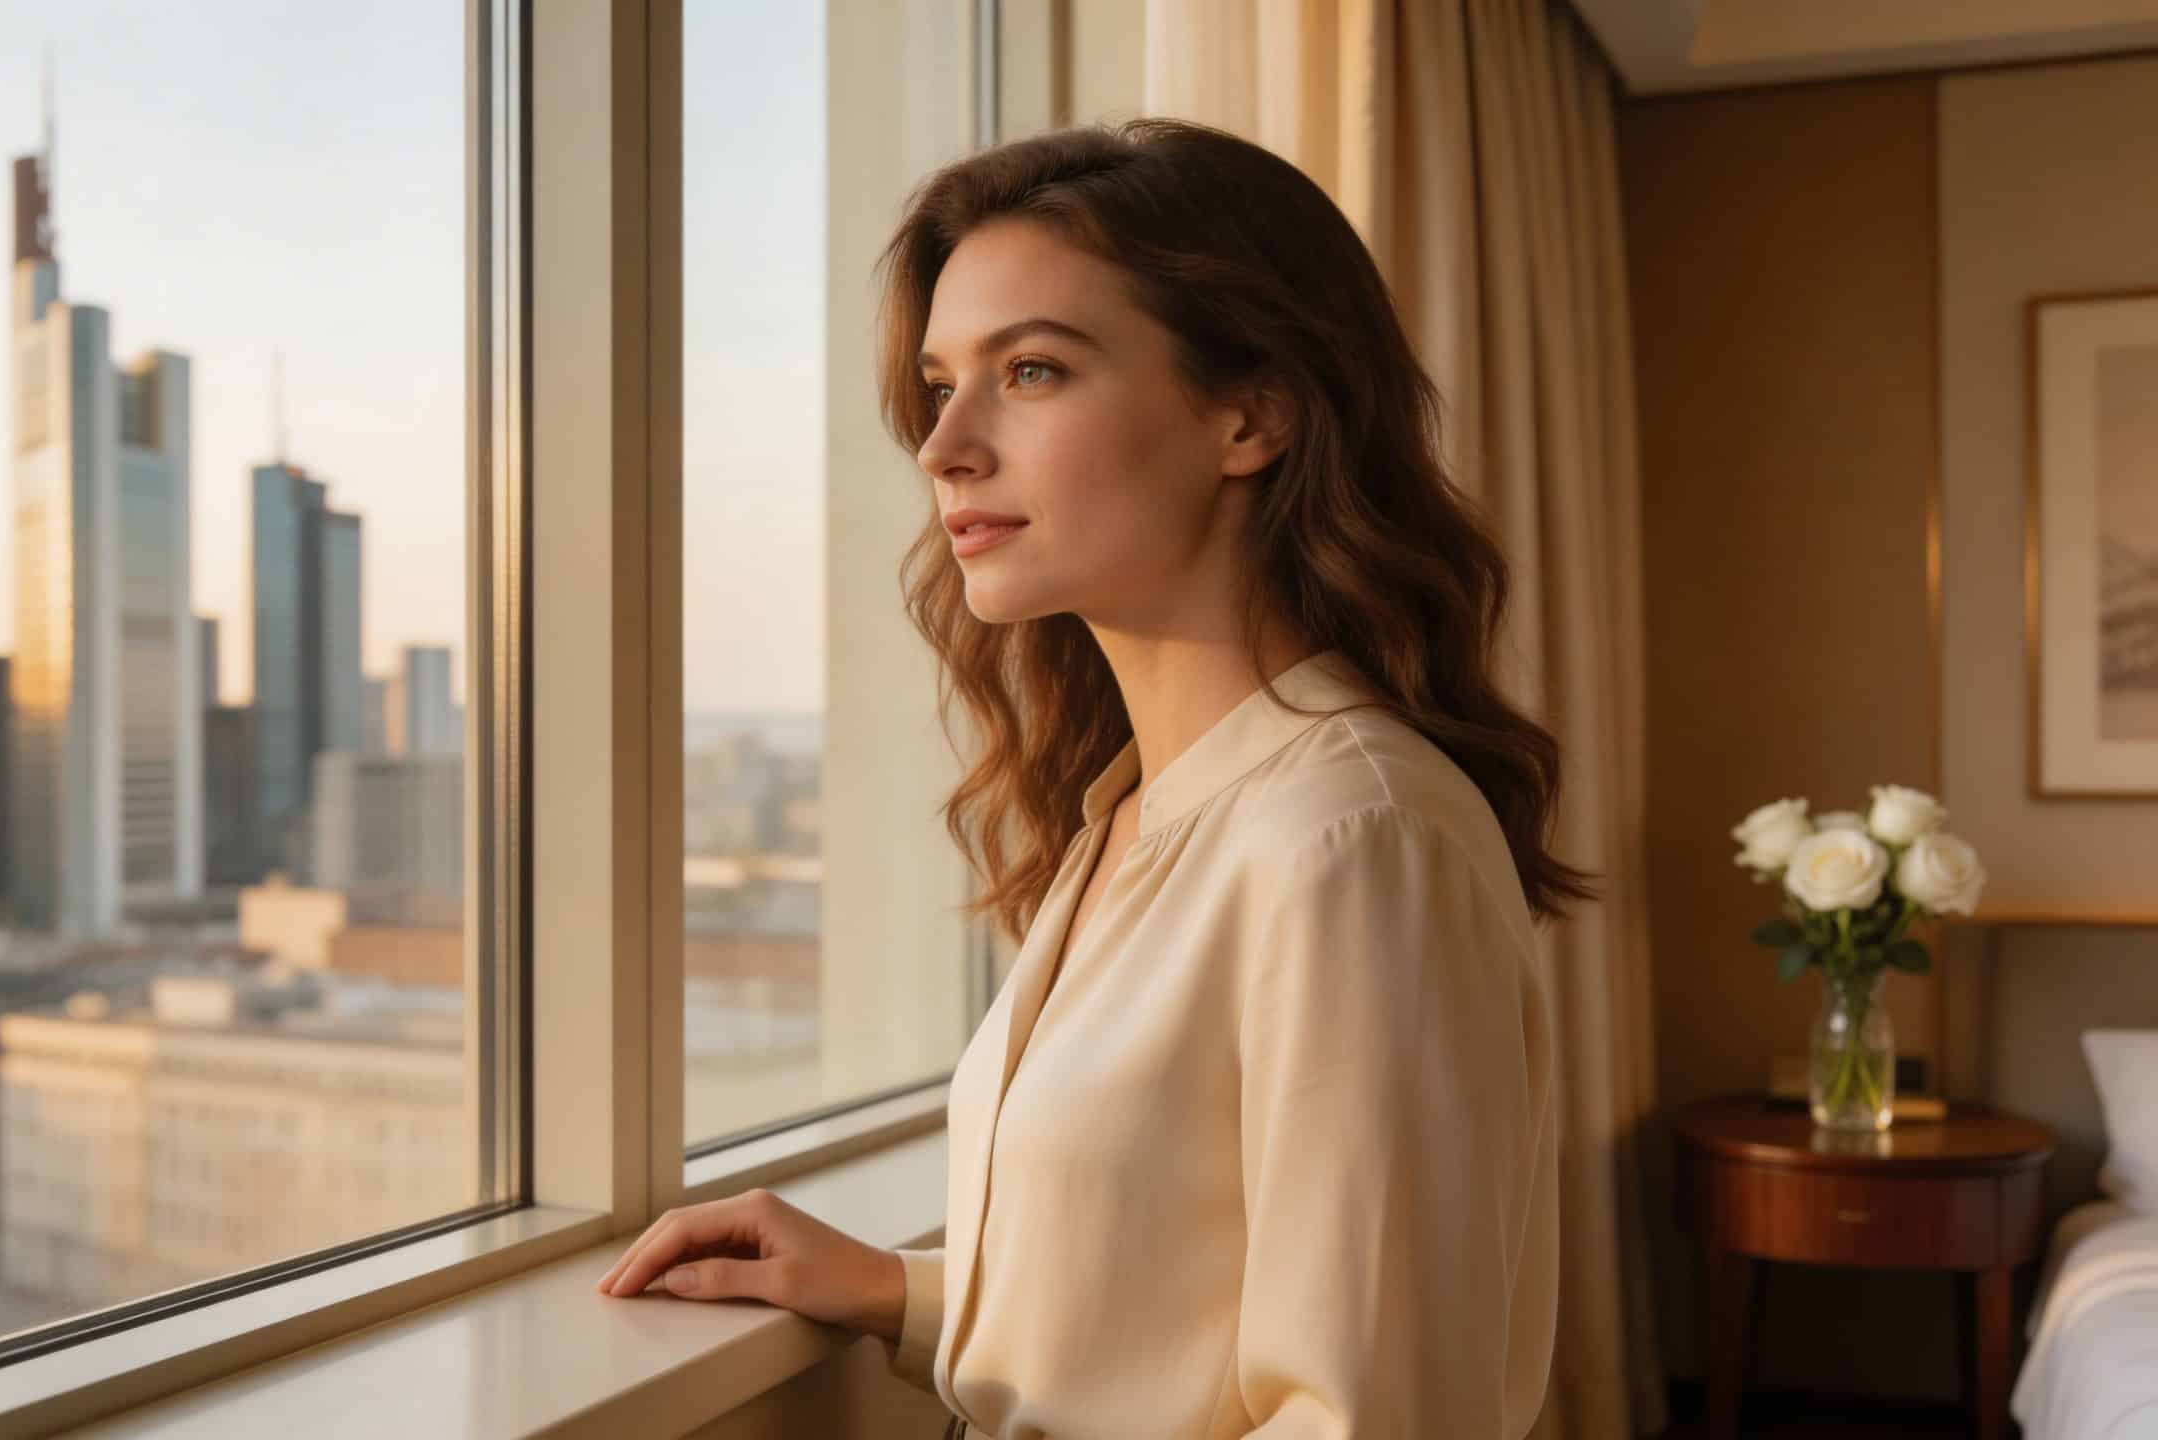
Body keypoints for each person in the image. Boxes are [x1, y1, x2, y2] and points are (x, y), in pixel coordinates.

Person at [595, 118, 1586, 1439]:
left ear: (1252, 413)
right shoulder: (1137, 811)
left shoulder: (1348, 835)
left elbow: (1371, 1416)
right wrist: (897, 1291)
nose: (945, 443)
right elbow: (1169, 1306)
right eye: (941, 384)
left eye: (1036, 371)